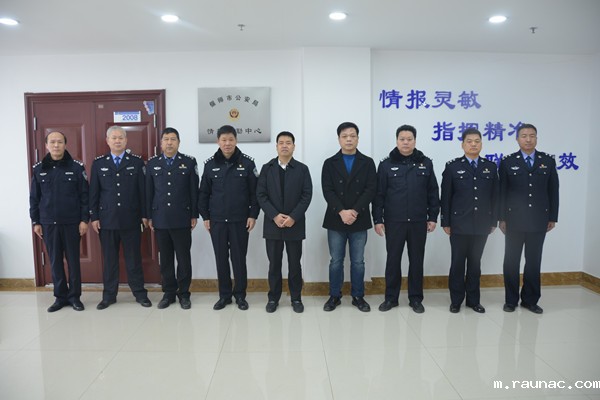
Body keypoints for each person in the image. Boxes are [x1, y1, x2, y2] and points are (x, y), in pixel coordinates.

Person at [373, 125, 439, 314]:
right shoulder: (386, 165)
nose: (406, 142)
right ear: (397, 141)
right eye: (402, 139)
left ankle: (415, 298)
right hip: (394, 221)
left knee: (417, 260)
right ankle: (391, 298)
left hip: (418, 221)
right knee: (393, 260)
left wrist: (433, 217)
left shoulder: (426, 163)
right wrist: (378, 219)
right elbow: (378, 195)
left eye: (409, 139)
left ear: (415, 141)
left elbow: (433, 192)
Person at [89, 126, 151, 310]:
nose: (117, 141)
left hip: (131, 219)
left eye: (121, 138)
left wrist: (145, 215)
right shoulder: (99, 164)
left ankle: (140, 294)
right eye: (114, 138)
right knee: (109, 261)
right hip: (107, 220)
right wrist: (94, 217)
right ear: (107, 141)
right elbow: (94, 193)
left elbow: (143, 192)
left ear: (126, 140)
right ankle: (109, 296)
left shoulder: (137, 163)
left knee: (134, 260)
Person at [499, 123, 559, 314]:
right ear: (517, 139)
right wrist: (502, 218)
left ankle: (530, 300)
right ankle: (510, 300)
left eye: (532, 136)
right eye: (524, 136)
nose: (528, 139)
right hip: (514, 220)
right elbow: (502, 192)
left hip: (538, 220)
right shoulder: (508, 162)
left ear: (536, 138)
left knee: (533, 261)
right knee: (511, 261)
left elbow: (553, 191)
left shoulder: (547, 161)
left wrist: (552, 217)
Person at [199, 125, 260, 311]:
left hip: (240, 220)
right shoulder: (210, 165)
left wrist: (253, 215)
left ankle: (240, 295)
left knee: (239, 259)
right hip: (217, 221)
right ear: (218, 141)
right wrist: (205, 216)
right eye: (223, 140)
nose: (227, 143)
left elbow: (255, 193)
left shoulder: (247, 164)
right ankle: (224, 296)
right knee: (221, 259)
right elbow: (203, 194)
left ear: (236, 140)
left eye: (230, 139)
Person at [29, 131, 89, 312]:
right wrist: (35, 222)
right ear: (46, 145)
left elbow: (84, 196)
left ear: (65, 144)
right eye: (52, 142)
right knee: (55, 261)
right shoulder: (39, 169)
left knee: (73, 261)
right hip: (48, 223)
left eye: (60, 142)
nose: (56, 145)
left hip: (72, 223)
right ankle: (60, 297)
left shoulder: (76, 167)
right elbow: (34, 198)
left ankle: (75, 297)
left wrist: (84, 220)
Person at [441, 128, 498, 314]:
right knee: (457, 263)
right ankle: (456, 300)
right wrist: (445, 221)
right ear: (463, 144)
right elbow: (446, 196)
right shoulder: (452, 167)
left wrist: (494, 221)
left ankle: (474, 300)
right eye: (469, 141)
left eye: (477, 141)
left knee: (475, 264)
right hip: (459, 223)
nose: (473, 144)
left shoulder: (490, 167)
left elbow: (495, 196)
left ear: (481, 144)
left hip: (482, 224)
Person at [321, 122, 377, 312]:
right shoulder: (330, 163)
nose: (349, 139)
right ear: (339, 139)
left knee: (358, 261)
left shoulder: (367, 162)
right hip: (336, 219)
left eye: (352, 136)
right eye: (345, 136)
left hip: (359, 218)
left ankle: (358, 296)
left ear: (358, 139)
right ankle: (334, 296)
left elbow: (371, 189)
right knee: (336, 261)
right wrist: (342, 211)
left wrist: (354, 211)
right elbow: (327, 190)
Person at [257, 131, 313, 313]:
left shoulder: (302, 169)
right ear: (276, 146)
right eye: (281, 142)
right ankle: (273, 298)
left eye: (288, 142)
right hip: (272, 224)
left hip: (294, 224)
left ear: (294, 146)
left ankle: (296, 298)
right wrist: (275, 215)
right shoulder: (267, 168)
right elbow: (261, 195)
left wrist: (293, 217)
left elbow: (306, 195)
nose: (284, 146)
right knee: (274, 264)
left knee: (295, 264)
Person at [146, 127, 199, 310]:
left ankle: (184, 293)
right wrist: (149, 216)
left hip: (182, 218)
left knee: (183, 259)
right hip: (160, 218)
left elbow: (194, 190)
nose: (169, 142)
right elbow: (148, 192)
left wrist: (194, 214)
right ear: (161, 143)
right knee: (166, 259)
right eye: (166, 139)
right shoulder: (152, 164)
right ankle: (168, 293)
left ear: (178, 142)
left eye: (173, 139)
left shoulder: (189, 162)